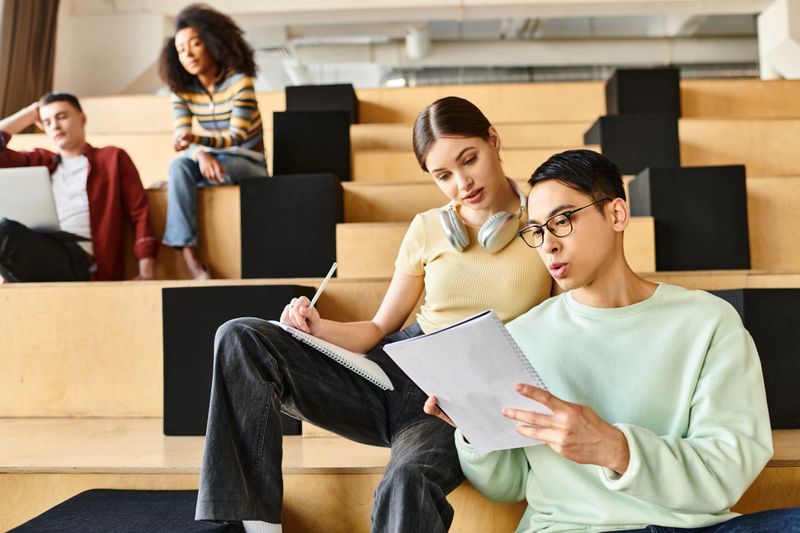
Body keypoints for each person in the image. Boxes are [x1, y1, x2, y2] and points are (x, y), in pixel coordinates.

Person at [195, 96, 554, 532]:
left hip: (456, 403)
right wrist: (318, 328)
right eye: (444, 175)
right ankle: (252, 524)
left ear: (493, 140)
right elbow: (381, 328)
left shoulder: (543, 222)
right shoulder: (427, 228)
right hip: (394, 372)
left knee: (406, 481)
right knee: (240, 337)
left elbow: (563, 323)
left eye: (469, 160)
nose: (462, 183)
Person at [425, 149, 800, 532]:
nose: (548, 245)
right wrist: (474, 430)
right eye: (537, 230)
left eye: (563, 220)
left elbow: (727, 468)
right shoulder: (521, 337)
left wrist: (616, 449)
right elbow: (507, 484)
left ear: (617, 214)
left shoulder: (708, 322)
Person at [158, 3, 268, 280]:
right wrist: (200, 153)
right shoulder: (181, 91)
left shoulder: (240, 83)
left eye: (195, 44)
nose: (188, 54)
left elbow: (236, 137)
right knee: (178, 167)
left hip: (249, 163)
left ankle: (186, 183)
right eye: (181, 50)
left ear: (211, 43)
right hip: (213, 160)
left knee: (193, 167)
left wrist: (197, 143)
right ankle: (191, 260)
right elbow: (182, 141)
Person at [0, 92, 157, 282]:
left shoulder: (112, 158)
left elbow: (139, 211)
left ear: (82, 119)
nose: (55, 126)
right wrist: (29, 114)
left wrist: (146, 267)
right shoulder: (39, 161)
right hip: (38, 250)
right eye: (47, 122)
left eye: (61, 116)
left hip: (81, 261)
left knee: (3, 230)